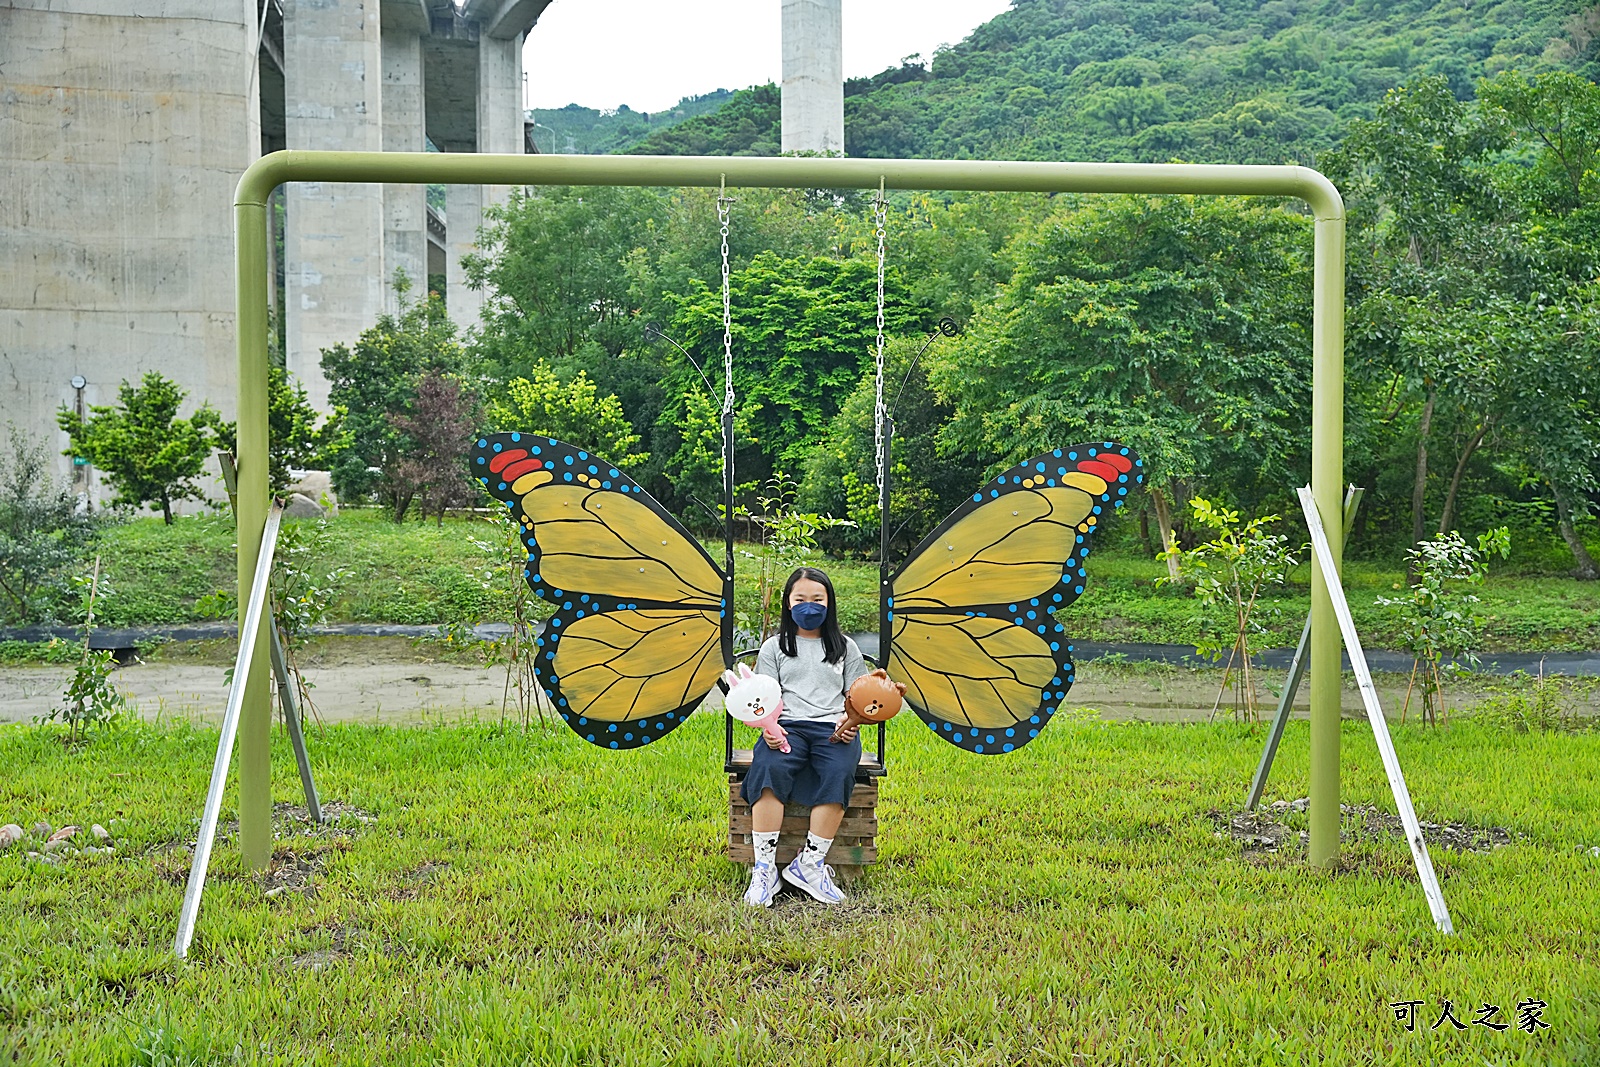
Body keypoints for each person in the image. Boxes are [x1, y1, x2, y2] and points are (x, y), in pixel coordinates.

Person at [740, 566, 888, 907]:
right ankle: (764, 869)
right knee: (769, 769)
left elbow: (858, 695)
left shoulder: (846, 647)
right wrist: (769, 731)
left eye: (817, 599)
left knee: (838, 771)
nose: (809, 606)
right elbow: (762, 697)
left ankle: (809, 863)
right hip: (786, 725)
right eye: (801, 599)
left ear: (829, 602)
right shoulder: (774, 647)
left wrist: (853, 722)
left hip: (832, 729)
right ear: (788, 604)